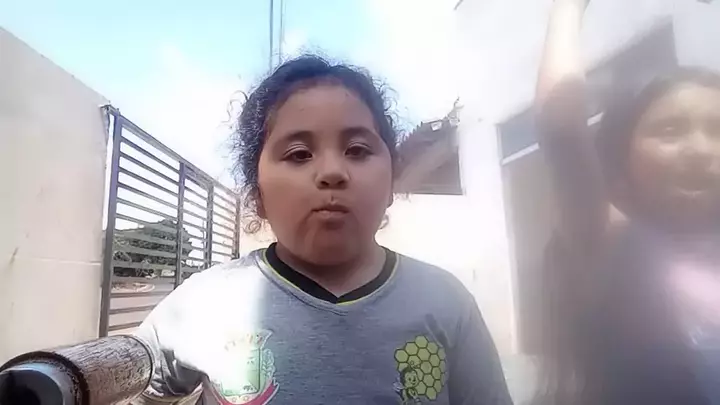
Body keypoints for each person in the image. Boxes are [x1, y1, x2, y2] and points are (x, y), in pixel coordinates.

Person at [132, 56, 513, 405]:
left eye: (357, 150)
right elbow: (136, 387)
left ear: (391, 182)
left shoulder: (446, 303)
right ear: (257, 195)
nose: (332, 172)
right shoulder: (204, 303)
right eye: (299, 154)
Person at [534, 1, 720, 405]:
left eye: (717, 130)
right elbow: (562, 130)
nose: (701, 149)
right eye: (670, 130)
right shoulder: (615, 242)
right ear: (622, 157)